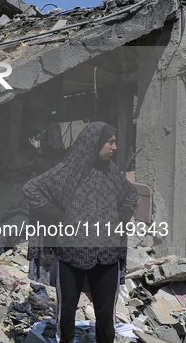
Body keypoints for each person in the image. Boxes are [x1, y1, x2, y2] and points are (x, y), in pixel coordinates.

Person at [23, 122, 138, 343]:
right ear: (93, 142)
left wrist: (120, 217)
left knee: (105, 315)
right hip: (71, 254)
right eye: (110, 141)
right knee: (66, 311)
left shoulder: (111, 172)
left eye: (115, 142)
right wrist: (58, 217)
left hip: (106, 255)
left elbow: (131, 195)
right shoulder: (69, 170)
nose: (114, 147)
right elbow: (32, 189)